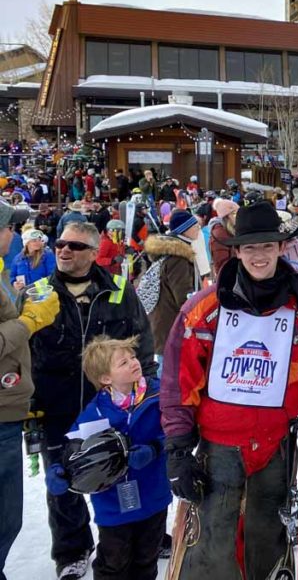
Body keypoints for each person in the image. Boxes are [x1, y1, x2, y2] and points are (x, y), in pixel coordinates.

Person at [160, 202, 298, 579]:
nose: (258, 256)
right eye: (250, 248)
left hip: (276, 441)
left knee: (267, 537)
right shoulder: (206, 307)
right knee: (215, 543)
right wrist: (179, 446)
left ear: (280, 248)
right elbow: (178, 379)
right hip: (221, 445)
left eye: (266, 246)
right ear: (236, 251)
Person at [33, 221, 155, 579]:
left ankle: (138, 536)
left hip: (114, 405)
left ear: (91, 252)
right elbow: (25, 351)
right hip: (57, 404)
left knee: (126, 470)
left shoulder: (118, 288)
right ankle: (72, 549)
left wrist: (145, 390)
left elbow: (141, 341)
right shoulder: (40, 292)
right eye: (59, 244)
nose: (63, 250)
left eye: (73, 245)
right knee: (63, 482)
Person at [45, 336, 171, 580]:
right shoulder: (95, 412)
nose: (134, 362)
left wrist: (155, 449)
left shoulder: (158, 397)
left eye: (133, 357)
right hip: (113, 505)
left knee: (147, 559)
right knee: (113, 561)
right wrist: (60, 472)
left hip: (153, 498)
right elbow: (75, 449)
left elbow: (176, 435)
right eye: (123, 362)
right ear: (105, 379)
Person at [0, 202, 60, 580]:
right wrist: (28, 321)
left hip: (9, 406)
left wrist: (25, 303)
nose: (16, 235)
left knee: (9, 520)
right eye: (10, 227)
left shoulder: (3, 270)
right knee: (5, 520)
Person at [142, 210, 200, 362]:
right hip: (170, 324)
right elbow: (183, 297)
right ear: (184, 230)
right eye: (194, 226)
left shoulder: (172, 253)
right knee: (168, 372)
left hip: (162, 321)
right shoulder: (178, 258)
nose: (198, 228)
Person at [208, 197, 239, 277]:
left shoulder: (232, 229)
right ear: (227, 216)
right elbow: (222, 265)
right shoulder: (220, 234)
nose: (238, 216)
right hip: (229, 280)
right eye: (235, 213)